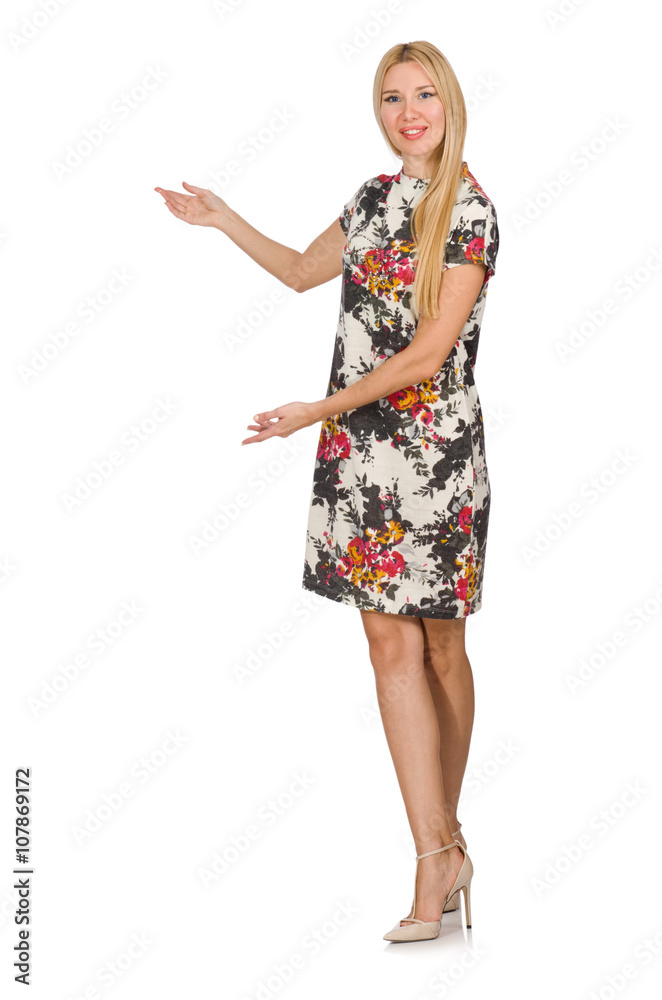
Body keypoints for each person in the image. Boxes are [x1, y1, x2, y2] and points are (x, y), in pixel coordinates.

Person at [155, 38, 499, 943]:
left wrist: (318, 409)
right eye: (392, 97)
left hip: (432, 457)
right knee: (387, 648)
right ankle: (435, 855)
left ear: (450, 103)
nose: (409, 112)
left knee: (441, 649)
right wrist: (225, 218)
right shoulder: (372, 201)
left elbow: (427, 355)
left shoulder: (469, 209)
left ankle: (449, 840)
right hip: (361, 456)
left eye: (423, 94)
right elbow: (301, 272)